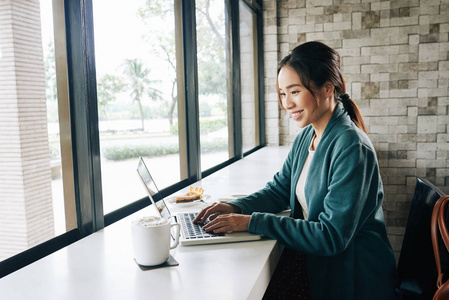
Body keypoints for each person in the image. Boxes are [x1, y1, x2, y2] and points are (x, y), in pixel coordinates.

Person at [193, 41, 397, 299]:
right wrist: (237, 207)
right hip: (321, 267)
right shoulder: (308, 136)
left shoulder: (351, 146)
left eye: (294, 91)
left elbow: (331, 235)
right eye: (281, 93)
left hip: (353, 280)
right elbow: (280, 189)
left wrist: (252, 222)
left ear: (326, 88)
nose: (287, 103)